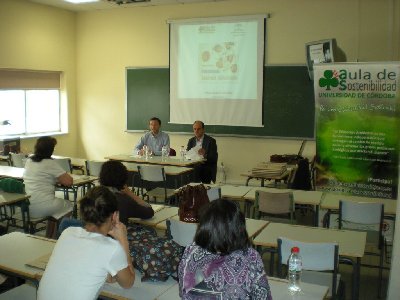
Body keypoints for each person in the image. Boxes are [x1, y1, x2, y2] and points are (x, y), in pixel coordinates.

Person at [38, 186, 135, 300]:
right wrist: (123, 240)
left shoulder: (68, 233)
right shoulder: (112, 248)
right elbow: (128, 284)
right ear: (114, 216)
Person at [178, 199, 272, 299]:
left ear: (204, 226)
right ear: (239, 227)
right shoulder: (251, 257)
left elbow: (183, 292)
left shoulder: (190, 250)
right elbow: (264, 296)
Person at [23, 137, 73, 235]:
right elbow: (68, 181)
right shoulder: (50, 163)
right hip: (43, 206)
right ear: (50, 150)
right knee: (68, 205)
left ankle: (50, 235)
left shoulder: (29, 161)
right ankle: (58, 236)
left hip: (28, 206)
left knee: (56, 209)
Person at [99, 160, 154, 224]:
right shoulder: (124, 200)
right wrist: (130, 193)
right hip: (117, 233)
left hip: (96, 233)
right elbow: (149, 212)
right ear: (123, 178)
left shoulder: (93, 194)